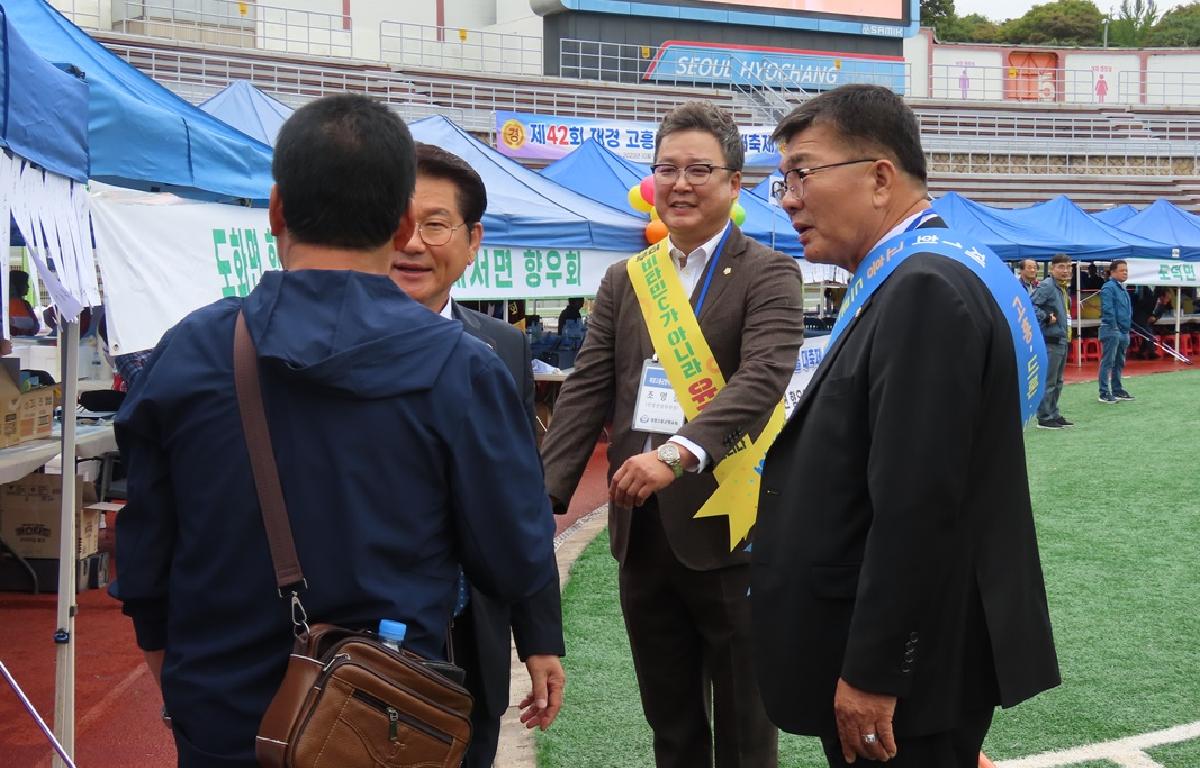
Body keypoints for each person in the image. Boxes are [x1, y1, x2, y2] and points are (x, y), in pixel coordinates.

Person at [111, 95, 558, 767]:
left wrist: (178, 676)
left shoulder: (191, 350)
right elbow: (511, 556)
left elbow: (144, 550)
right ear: (403, 220)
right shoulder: (463, 367)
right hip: (381, 723)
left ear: (276, 210)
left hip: (223, 713)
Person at [753, 84, 1060, 768]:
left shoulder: (922, 289)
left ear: (880, 177)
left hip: (907, 683)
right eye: (783, 179)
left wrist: (877, 672)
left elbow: (919, 505)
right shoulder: (913, 278)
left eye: (802, 172)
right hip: (916, 671)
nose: (788, 198)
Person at [540, 100, 803, 768]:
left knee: (746, 732)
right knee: (672, 724)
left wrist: (678, 453)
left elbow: (763, 378)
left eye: (698, 170)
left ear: (734, 185)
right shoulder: (628, 279)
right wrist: (540, 498)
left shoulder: (771, 273)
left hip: (731, 529)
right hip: (643, 536)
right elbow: (589, 388)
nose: (679, 184)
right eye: (666, 169)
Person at [390, 142, 566, 767]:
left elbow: (519, 501)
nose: (411, 243)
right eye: (395, 221)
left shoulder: (500, 349)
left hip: (473, 644)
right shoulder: (317, 347)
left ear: (472, 241)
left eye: (435, 224)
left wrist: (540, 637)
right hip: (364, 653)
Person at [1032, 254, 1074, 429]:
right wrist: (1046, 317)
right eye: (1061, 267)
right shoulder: (1047, 286)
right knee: (1049, 381)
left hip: (1062, 339)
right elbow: (1031, 306)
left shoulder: (1062, 287)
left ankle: (1053, 413)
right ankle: (1044, 417)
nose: (1065, 271)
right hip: (1051, 340)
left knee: (1058, 381)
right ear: (1052, 269)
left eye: (1068, 267)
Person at [1099, 259, 1134, 402]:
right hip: (1112, 330)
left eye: (1126, 270)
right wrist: (1114, 327)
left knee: (1119, 362)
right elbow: (1108, 309)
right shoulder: (1108, 287)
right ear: (1112, 272)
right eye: (1122, 270)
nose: (1125, 272)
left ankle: (1117, 389)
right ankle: (1104, 392)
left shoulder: (1122, 288)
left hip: (1123, 330)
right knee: (1108, 362)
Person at [8, 269, 39, 336]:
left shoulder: (25, 304)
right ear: (18, 285)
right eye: (25, 283)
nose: (28, 286)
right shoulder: (5, 305)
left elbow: (36, 326)